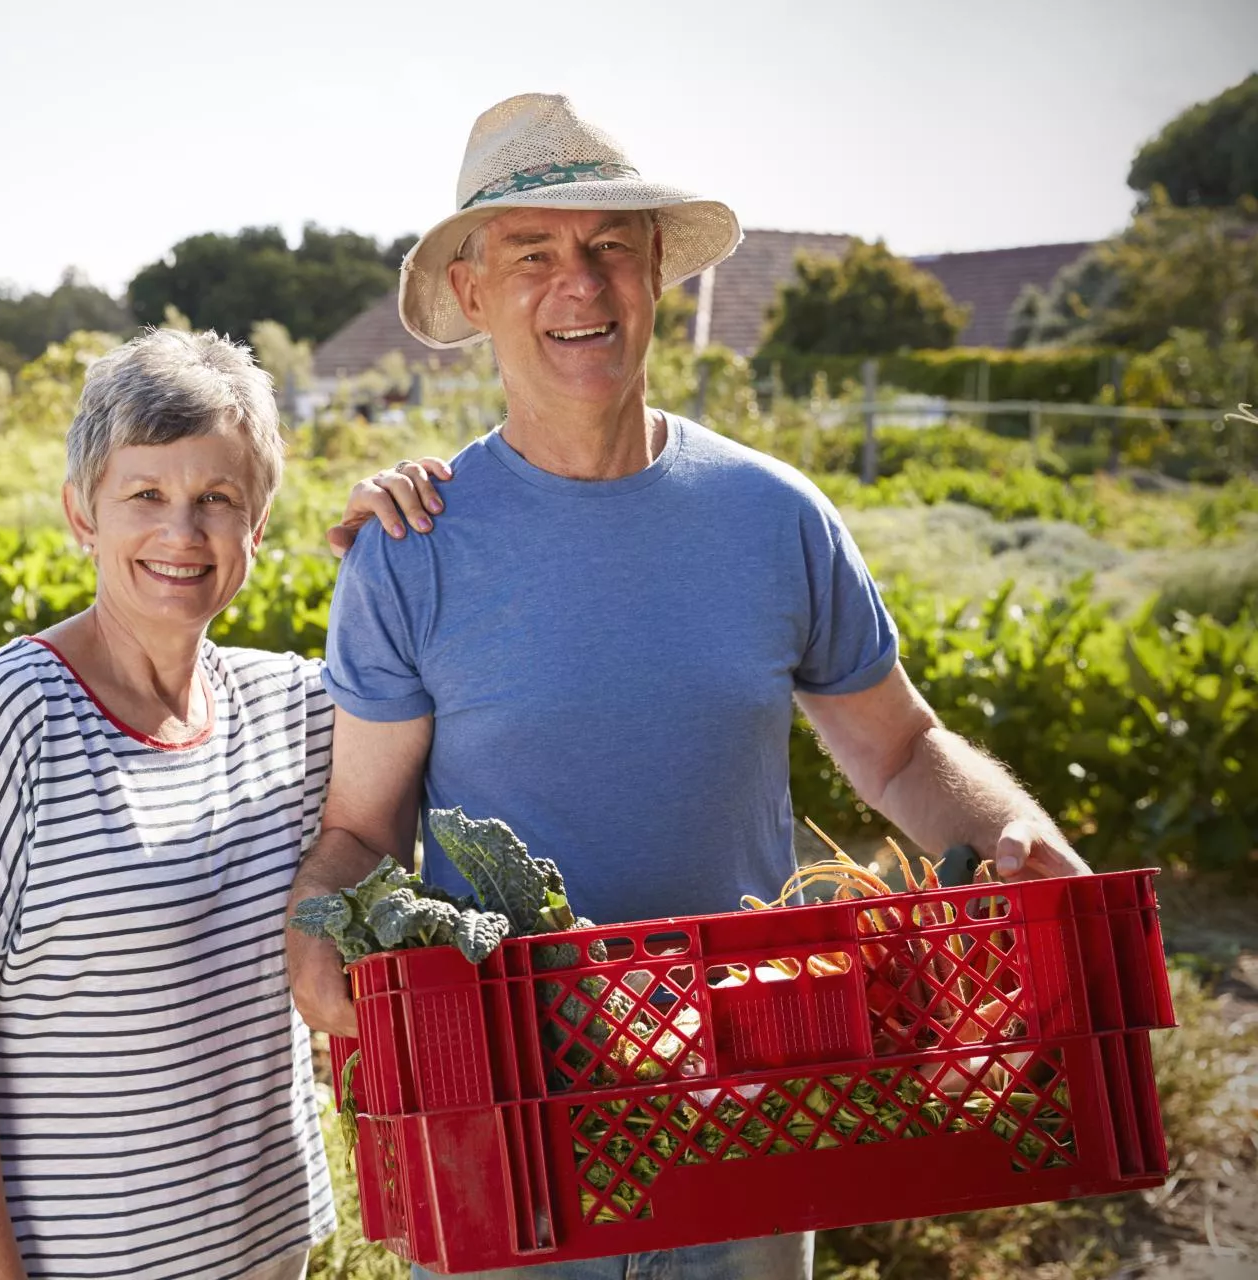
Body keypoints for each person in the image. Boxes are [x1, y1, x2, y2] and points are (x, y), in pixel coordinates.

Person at [285, 93, 1092, 1280]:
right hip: (510, 1133)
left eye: (613, 245)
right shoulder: (414, 548)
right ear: (471, 292)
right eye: (535, 253)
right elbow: (362, 826)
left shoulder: (773, 516)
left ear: (656, 269)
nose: (583, 283)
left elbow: (898, 748)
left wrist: (1014, 834)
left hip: (751, 1112)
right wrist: (323, 933)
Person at [0, 327, 448, 1280]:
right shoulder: (11, 714)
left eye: (217, 500)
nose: (183, 533)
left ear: (257, 528)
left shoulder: (292, 711)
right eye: (145, 495)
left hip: (267, 1255)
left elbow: (418, 721)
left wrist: (408, 540)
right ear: (80, 514)